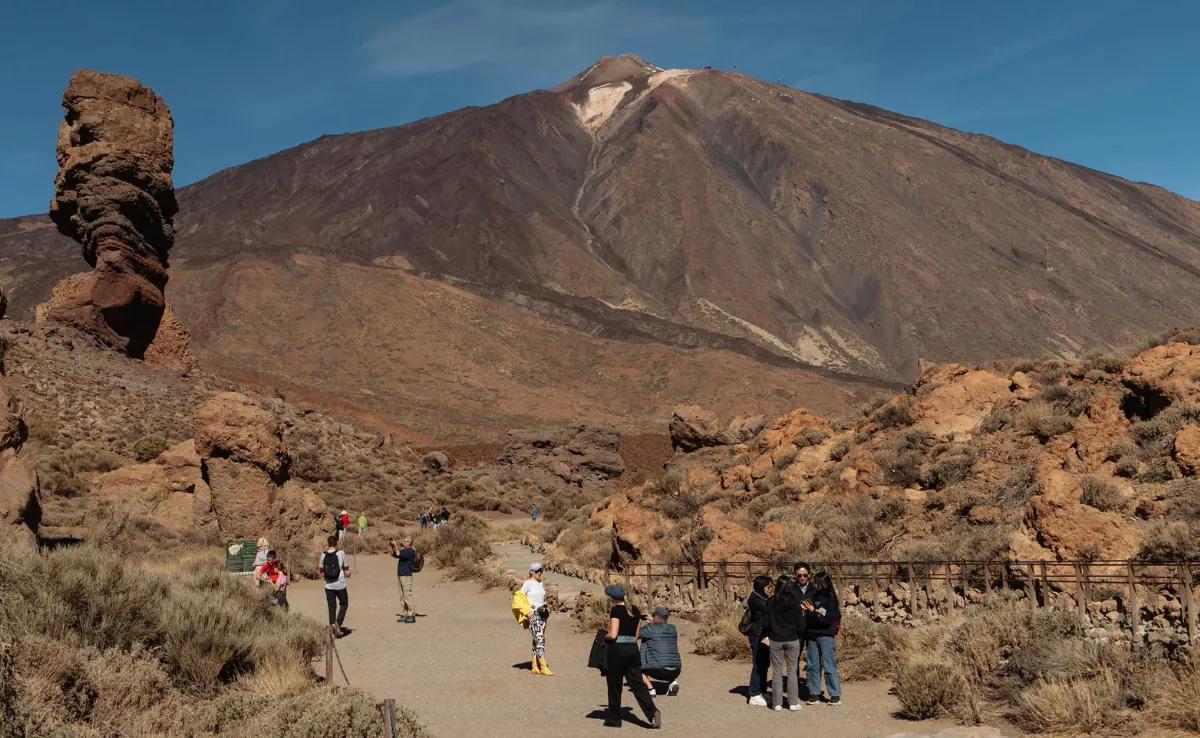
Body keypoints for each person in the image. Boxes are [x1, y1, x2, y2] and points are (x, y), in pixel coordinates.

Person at [602, 584, 661, 728]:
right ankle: (652, 712)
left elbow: (613, 634)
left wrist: (605, 635)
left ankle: (614, 719)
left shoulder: (616, 610)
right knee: (637, 684)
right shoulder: (634, 610)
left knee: (615, 685)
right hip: (633, 650)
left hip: (617, 651)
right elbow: (635, 637)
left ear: (612, 598)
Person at [767, 576, 807, 711]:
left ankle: (777, 703)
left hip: (776, 639)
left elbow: (766, 621)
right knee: (792, 671)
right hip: (792, 638)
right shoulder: (795, 602)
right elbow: (801, 623)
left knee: (777, 672)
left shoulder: (771, 601)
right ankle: (793, 703)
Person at [802, 571, 842, 705]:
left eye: (818, 583)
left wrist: (814, 612)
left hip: (825, 634)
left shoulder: (831, 599)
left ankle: (835, 694)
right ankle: (814, 692)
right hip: (812, 633)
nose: (816, 585)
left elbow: (828, 619)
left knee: (829, 664)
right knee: (812, 665)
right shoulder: (814, 595)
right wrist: (810, 611)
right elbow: (810, 614)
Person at [639, 606, 682, 696]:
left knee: (636, 669)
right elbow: (659, 631)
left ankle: (650, 689)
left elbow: (637, 633)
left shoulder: (650, 628)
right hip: (676, 670)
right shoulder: (672, 628)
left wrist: (639, 621)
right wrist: (653, 622)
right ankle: (673, 682)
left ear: (656, 617)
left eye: (653, 615)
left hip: (657, 669)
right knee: (666, 659)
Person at [745, 575, 773, 707]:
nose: (771, 589)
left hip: (763, 635)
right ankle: (754, 693)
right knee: (758, 664)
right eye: (768, 587)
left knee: (764, 664)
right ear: (761, 587)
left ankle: (762, 690)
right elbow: (770, 609)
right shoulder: (758, 600)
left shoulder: (762, 598)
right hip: (758, 635)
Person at [523, 563, 553, 675]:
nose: (539, 572)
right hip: (533, 614)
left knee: (537, 639)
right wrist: (527, 611)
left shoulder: (540, 583)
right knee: (540, 638)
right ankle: (543, 666)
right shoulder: (527, 584)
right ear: (531, 571)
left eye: (541, 570)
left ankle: (535, 666)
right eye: (536, 571)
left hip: (542, 614)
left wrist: (546, 608)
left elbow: (542, 598)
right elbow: (519, 598)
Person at [318, 535, 351, 636]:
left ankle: (332, 624)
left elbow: (321, 570)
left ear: (328, 543)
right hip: (340, 584)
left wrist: (327, 578)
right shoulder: (341, 553)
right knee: (344, 604)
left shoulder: (323, 555)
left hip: (328, 585)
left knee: (331, 606)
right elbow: (346, 570)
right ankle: (338, 623)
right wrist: (349, 575)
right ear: (336, 543)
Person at [389, 535, 419, 623]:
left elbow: (398, 553)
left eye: (404, 541)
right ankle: (405, 613)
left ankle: (411, 614)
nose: (403, 542)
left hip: (406, 576)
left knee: (407, 595)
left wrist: (395, 545)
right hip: (401, 576)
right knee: (402, 596)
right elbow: (393, 554)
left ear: (409, 543)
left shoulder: (410, 552)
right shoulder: (404, 551)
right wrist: (392, 545)